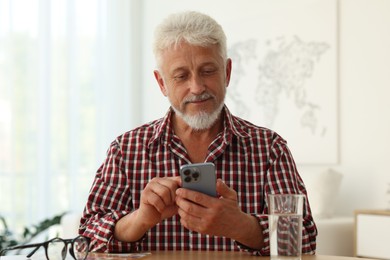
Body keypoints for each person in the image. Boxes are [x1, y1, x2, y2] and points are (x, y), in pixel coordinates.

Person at [79, 11, 317, 255]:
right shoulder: (126, 149)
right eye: (181, 76)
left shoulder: (269, 148)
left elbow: (306, 239)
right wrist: (139, 219)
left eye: (208, 71)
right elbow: (85, 240)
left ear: (227, 72)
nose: (197, 87)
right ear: (162, 83)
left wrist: (241, 226)